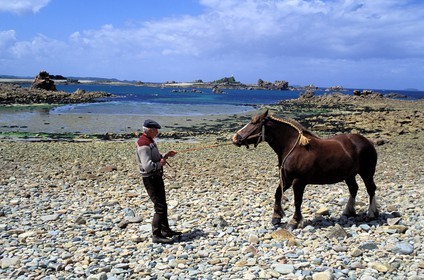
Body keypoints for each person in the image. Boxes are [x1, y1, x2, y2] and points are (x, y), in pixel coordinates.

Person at [136, 119, 181, 244]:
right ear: (149, 130)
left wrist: (165, 156)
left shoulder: (149, 141)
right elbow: (147, 166)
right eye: (156, 130)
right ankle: (156, 235)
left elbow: (155, 158)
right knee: (159, 207)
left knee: (163, 204)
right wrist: (160, 163)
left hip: (155, 176)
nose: (157, 132)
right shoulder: (143, 144)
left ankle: (165, 230)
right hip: (150, 178)